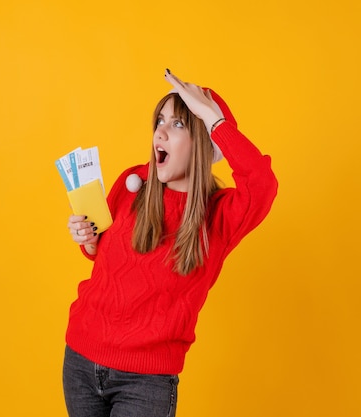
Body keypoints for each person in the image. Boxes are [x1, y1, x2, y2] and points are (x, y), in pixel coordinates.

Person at [62, 69, 278, 417]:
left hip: (145, 383)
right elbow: (106, 257)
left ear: (204, 140)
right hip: (81, 361)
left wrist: (213, 117)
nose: (159, 132)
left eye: (178, 124)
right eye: (160, 120)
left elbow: (262, 183)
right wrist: (87, 240)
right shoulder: (135, 182)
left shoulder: (219, 216)